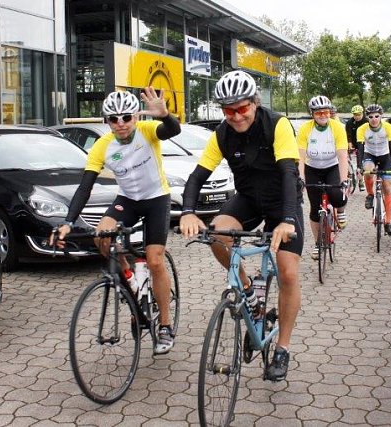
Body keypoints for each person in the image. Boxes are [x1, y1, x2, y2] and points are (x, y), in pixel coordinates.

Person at [179, 70, 304, 382]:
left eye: (242, 108)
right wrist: (188, 212)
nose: (235, 116)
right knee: (216, 234)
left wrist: (288, 220)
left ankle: (283, 348)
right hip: (248, 199)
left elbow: (289, 173)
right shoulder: (222, 134)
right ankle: (249, 291)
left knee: (288, 273)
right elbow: (197, 176)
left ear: (255, 102)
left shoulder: (277, 124)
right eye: (228, 110)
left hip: (282, 202)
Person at [50, 87, 180, 354]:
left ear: (136, 117)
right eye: (114, 119)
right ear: (107, 121)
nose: (121, 123)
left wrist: (165, 116)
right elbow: (85, 187)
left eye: (127, 117)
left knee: (155, 260)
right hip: (128, 199)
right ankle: (129, 278)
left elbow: (173, 130)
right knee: (102, 236)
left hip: (157, 198)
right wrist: (68, 222)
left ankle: (165, 325)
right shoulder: (102, 146)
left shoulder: (147, 131)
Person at [297, 95, 349, 259]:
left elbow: (342, 156)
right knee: (314, 209)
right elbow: (300, 157)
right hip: (312, 168)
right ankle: (318, 243)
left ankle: (341, 210)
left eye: (326, 112)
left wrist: (344, 180)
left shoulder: (337, 127)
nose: (323, 116)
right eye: (319, 113)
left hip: (332, 167)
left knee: (337, 195)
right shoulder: (305, 129)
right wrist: (301, 178)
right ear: (312, 114)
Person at [356, 103, 391, 236]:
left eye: (377, 116)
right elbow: (360, 150)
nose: (374, 119)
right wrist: (359, 167)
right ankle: (370, 194)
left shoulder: (388, 127)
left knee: (387, 188)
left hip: (385, 156)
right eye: (370, 117)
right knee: (368, 171)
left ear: (381, 116)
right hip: (369, 155)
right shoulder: (362, 129)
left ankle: (388, 223)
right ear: (367, 118)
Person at [345, 105, 366, 184]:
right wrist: (350, 145)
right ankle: (351, 176)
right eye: (355, 114)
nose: (357, 116)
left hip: (364, 143)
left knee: (362, 162)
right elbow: (348, 136)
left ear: (362, 113)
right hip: (354, 143)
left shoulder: (366, 121)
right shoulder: (350, 122)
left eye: (359, 114)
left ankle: (361, 179)